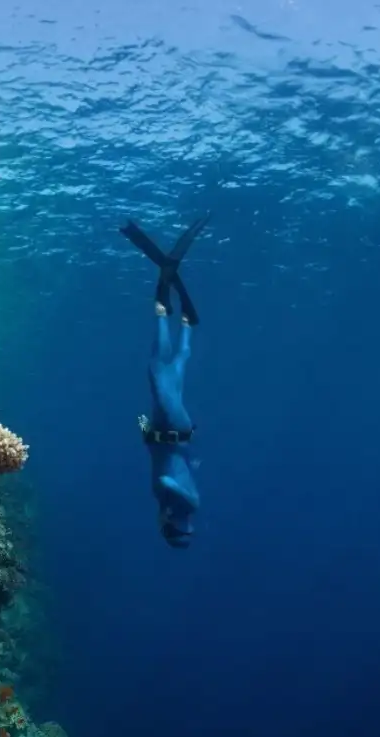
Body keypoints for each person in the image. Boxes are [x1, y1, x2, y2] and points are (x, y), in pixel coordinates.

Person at [120, 213, 210, 548]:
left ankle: (186, 322)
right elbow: (170, 479)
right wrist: (167, 507)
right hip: (174, 427)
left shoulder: (172, 501)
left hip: (167, 429)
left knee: (172, 372)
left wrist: (146, 432)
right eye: (170, 530)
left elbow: (164, 461)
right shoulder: (184, 500)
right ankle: (162, 304)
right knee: (158, 373)